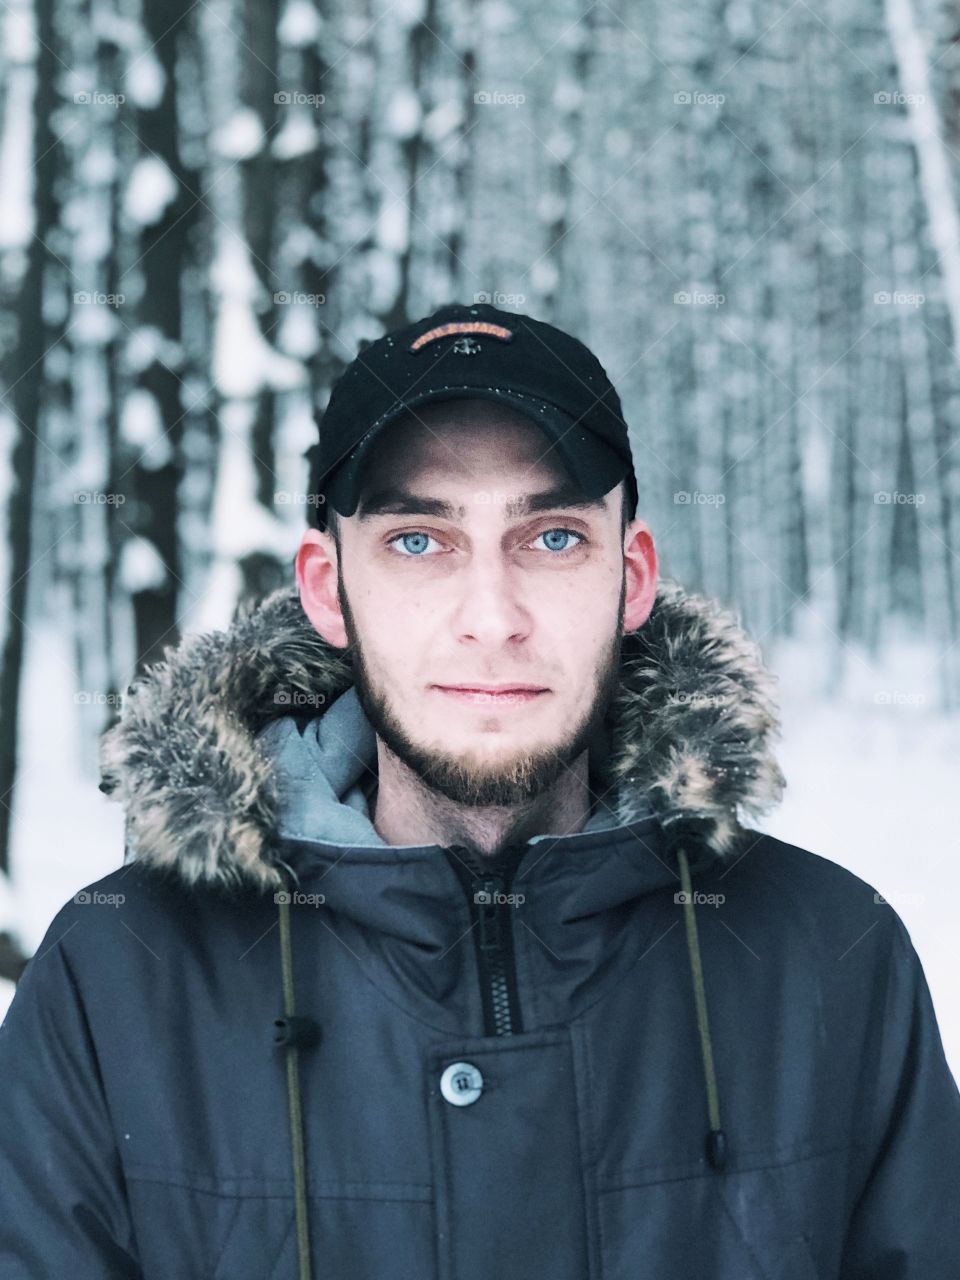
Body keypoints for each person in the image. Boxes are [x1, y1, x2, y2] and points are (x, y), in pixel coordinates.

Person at [1, 301, 958, 1279]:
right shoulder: (117, 980)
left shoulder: (832, 955)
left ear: (631, 577)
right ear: (329, 589)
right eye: (420, 540)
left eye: (550, 538)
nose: (492, 619)